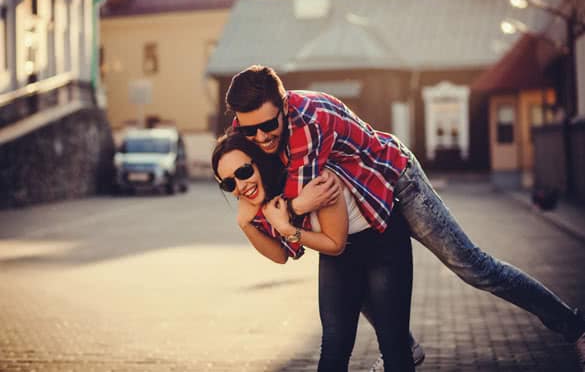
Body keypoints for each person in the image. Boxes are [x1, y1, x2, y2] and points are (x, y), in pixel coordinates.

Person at [225, 64, 585, 371]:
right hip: (362, 202)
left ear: (284, 105)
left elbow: (293, 222)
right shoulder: (257, 136)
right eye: (248, 130)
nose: (259, 137)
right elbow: (287, 221)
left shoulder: (308, 121)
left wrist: (283, 212)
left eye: (267, 125)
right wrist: (264, 213)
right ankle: (405, 347)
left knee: (473, 265)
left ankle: (573, 325)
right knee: (354, 275)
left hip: (397, 181)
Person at [211, 132, 415, 372]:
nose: (241, 186)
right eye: (229, 184)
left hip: (381, 241)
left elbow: (335, 242)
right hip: (338, 254)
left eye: (244, 172)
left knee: (393, 345)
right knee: (334, 346)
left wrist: (286, 227)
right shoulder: (263, 198)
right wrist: (245, 225)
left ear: (259, 160)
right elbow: (280, 255)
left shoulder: (312, 177)